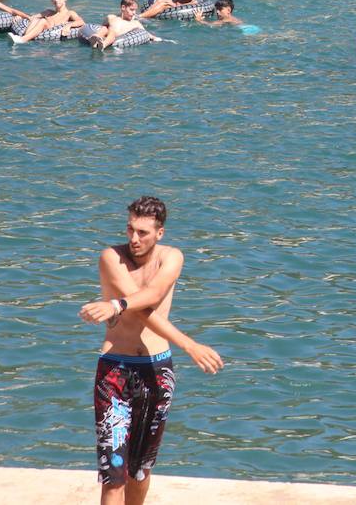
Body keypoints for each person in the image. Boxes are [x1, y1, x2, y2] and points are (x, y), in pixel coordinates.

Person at [78, 196, 223, 505]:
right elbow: (137, 305)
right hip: (115, 371)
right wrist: (189, 344)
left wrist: (115, 305)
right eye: (130, 229)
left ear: (160, 233)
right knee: (113, 472)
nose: (134, 239)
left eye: (142, 232)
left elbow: (152, 296)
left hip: (157, 371)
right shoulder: (110, 257)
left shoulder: (172, 258)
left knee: (140, 471)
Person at [9, 0, 86, 43]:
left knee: (43, 21)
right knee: (36, 19)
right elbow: (31, 17)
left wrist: (68, 26)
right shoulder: (49, 12)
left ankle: (23, 39)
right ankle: (24, 38)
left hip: (52, 33)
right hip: (40, 32)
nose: (56, 0)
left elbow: (81, 22)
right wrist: (19, 17)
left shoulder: (69, 13)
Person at [86, 0, 163, 50]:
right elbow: (102, 25)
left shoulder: (135, 23)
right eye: (132, 10)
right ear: (123, 8)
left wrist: (155, 38)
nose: (134, 13)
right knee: (105, 28)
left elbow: (145, 33)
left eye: (135, 10)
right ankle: (96, 36)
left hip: (116, 34)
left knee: (111, 33)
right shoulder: (112, 17)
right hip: (109, 30)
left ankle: (103, 44)